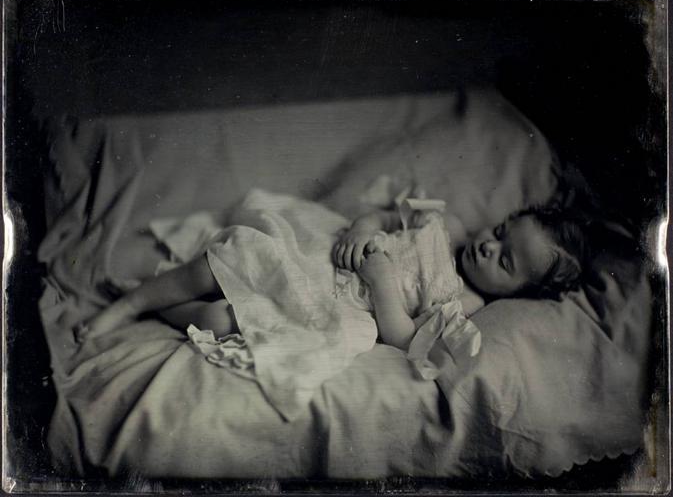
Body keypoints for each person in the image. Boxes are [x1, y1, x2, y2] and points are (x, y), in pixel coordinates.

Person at [78, 194, 586, 353]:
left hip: (336, 306)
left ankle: (155, 308)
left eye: (504, 260)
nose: (487, 245)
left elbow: (404, 337)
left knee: (225, 319)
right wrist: (362, 230)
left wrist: (383, 285)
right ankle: (131, 303)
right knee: (237, 256)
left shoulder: (467, 305)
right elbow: (383, 216)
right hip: (324, 259)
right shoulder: (445, 223)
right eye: (500, 231)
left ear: (519, 291)